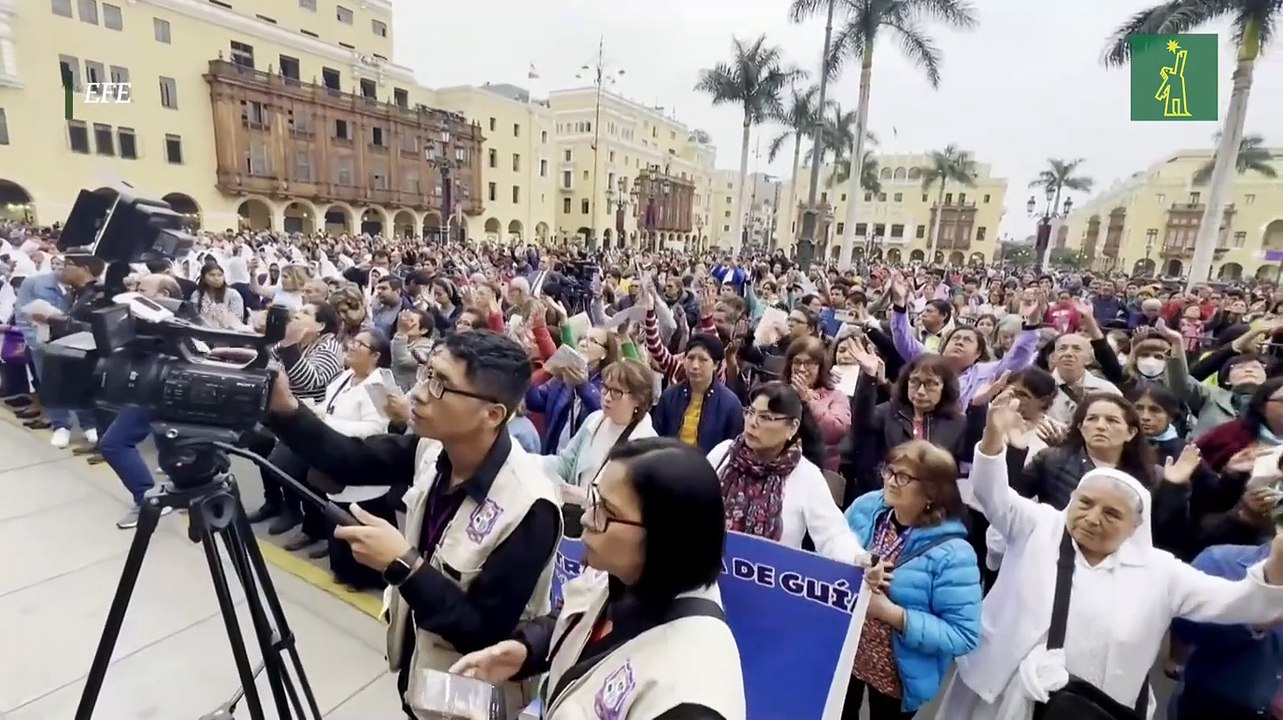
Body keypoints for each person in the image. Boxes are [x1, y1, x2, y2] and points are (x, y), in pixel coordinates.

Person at [265, 330, 562, 718]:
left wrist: (403, 565)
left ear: (492, 414)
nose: (419, 392)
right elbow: (349, 458)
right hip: (421, 670)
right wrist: (285, 410)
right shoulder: (434, 447)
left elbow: (484, 632)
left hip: (473, 695)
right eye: (426, 374)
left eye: (441, 384)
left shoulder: (529, 505)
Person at [934, 395, 1283, 720]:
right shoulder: (1039, 525)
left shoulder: (1160, 572)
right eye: (1085, 503)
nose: (1093, 517)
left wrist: (1278, 558)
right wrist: (994, 436)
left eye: (1112, 514)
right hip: (996, 690)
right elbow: (991, 493)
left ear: (1135, 525)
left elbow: (1242, 602)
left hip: (1086, 707)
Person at [450, 438, 747, 720]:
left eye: (607, 511)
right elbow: (576, 615)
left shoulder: (689, 695)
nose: (586, 519)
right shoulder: (627, 576)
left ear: (665, 536)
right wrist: (526, 651)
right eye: (594, 499)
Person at [843, 440, 982, 720]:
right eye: (889, 471)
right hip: (846, 654)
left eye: (903, 477)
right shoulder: (867, 509)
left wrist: (892, 614)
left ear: (932, 492)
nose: (891, 481)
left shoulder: (953, 554)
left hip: (897, 675)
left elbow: (963, 635)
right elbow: (833, 548)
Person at [707, 382, 861, 561]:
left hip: (769, 577)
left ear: (793, 427)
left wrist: (857, 559)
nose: (752, 423)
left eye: (765, 417)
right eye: (750, 412)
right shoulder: (724, 454)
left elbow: (833, 535)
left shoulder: (806, 476)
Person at [102, 274, 182, 529]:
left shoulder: (172, 321)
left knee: (114, 443)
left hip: (154, 391)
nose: (135, 291)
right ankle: (179, 489)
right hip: (149, 388)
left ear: (165, 296)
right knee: (167, 441)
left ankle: (147, 498)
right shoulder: (140, 317)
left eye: (142, 288)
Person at [540, 359, 658, 503]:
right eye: (606, 388)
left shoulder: (647, 444)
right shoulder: (594, 420)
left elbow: (632, 503)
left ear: (639, 399)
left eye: (616, 392)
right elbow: (566, 463)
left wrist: (586, 498)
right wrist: (533, 462)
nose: (607, 397)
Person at [653, 334, 744, 454]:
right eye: (690, 358)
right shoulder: (670, 396)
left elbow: (732, 448)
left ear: (716, 365)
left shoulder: (730, 404)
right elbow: (656, 438)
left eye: (703, 360)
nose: (695, 366)